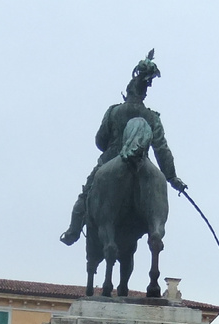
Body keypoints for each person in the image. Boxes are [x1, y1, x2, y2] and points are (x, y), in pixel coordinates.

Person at [60, 51, 186, 246]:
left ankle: (73, 231)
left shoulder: (114, 111)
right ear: (144, 92)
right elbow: (161, 148)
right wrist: (172, 177)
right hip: (143, 162)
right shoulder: (152, 117)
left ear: (128, 91)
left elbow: (100, 141)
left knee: (86, 194)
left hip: (110, 158)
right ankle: (155, 231)